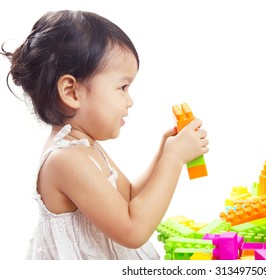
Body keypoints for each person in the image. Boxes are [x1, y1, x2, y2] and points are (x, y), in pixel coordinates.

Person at [1, 10, 208, 260]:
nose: (130, 101)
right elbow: (132, 230)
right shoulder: (65, 160)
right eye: (122, 87)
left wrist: (164, 154)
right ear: (71, 92)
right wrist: (173, 159)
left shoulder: (85, 146)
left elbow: (129, 197)